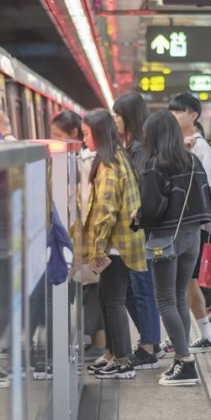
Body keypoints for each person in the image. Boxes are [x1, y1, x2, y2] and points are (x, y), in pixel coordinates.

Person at [134, 111, 211, 386]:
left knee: (165, 300)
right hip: (192, 237)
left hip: (165, 239)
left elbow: (153, 208)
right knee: (180, 299)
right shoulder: (191, 161)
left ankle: (186, 362)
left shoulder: (156, 165)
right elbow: (206, 198)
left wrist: (138, 215)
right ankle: (182, 359)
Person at [79, 110, 145, 380]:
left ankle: (124, 360)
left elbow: (105, 211)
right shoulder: (114, 158)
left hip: (116, 246)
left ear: (98, 133)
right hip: (116, 244)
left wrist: (97, 248)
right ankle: (111, 353)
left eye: (86, 134)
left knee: (114, 302)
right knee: (107, 299)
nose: (84, 140)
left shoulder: (109, 164)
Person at [112, 92, 162, 369]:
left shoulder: (140, 148)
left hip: (140, 228)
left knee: (141, 288)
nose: (115, 120)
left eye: (118, 115)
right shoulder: (133, 145)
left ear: (128, 117)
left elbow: (142, 187)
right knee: (133, 287)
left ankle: (148, 346)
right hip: (134, 228)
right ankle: (150, 340)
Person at [50, 111, 104, 359]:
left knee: (92, 292)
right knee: (89, 291)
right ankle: (97, 343)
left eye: (58, 136)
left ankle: (100, 345)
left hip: (86, 236)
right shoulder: (79, 160)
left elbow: (82, 201)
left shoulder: (85, 161)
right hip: (82, 236)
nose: (54, 140)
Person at [169, 93, 211, 352]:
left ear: (193, 115)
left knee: (185, 283)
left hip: (192, 226)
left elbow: (206, 187)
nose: (174, 117)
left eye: (178, 112)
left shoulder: (200, 147)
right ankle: (206, 335)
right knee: (188, 283)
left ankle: (185, 338)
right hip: (187, 225)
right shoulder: (182, 144)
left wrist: (200, 223)